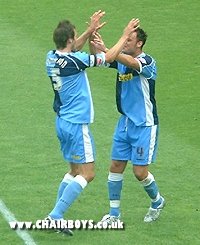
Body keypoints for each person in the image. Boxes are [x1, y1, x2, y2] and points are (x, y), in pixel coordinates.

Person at [45, 10, 140, 236]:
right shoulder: (75, 61)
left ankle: (56, 217)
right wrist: (124, 34)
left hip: (62, 122)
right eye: (75, 36)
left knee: (74, 170)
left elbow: (73, 48)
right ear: (69, 40)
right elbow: (106, 58)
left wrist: (89, 32)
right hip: (77, 125)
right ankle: (55, 217)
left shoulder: (51, 57)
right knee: (88, 174)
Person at [92, 27, 165, 223]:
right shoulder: (121, 60)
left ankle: (157, 201)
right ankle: (114, 214)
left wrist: (108, 48)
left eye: (129, 40)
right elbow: (101, 60)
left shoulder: (147, 61)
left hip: (144, 125)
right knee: (115, 166)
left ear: (139, 43)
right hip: (124, 123)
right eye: (124, 39)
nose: (125, 43)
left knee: (140, 172)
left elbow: (131, 62)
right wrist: (94, 42)